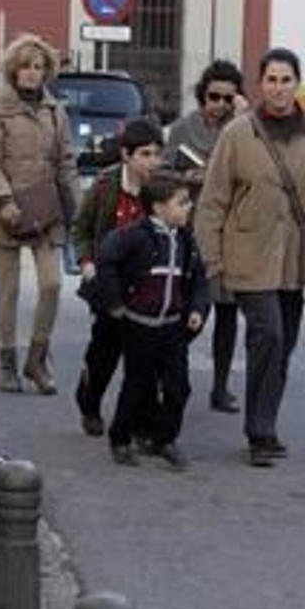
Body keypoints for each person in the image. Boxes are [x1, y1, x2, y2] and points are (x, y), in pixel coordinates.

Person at [194, 48, 305, 467]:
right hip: (248, 255)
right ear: (261, 85)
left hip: (296, 258)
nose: (278, 88)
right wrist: (212, 256)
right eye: (271, 80)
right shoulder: (238, 135)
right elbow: (214, 200)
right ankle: (259, 431)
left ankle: (266, 424)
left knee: (284, 345)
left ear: (297, 85)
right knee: (269, 334)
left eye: (286, 80)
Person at [0, 33, 81, 395]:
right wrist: (4, 200)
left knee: (52, 283)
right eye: (26, 66)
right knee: (9, 288)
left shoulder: (55, 110)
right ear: (13, 70)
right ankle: (7, 364)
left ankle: (37, 358)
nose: (33, 73)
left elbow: (66, 161)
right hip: (6, 207)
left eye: (39, 67)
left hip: (45, 208)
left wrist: (76, 207)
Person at [91, 173, 209, 470]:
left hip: (171, 327)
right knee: (137, 384)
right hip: (138, 325)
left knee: (179, 387)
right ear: (158, 208)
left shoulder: (186, 240)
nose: (189, 207)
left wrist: (196, 308)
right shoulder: (133, 236)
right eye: (181, 202)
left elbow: (198, 280)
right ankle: (120, 438)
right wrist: (116, 304)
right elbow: (106, 263)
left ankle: (164, 439)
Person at [71, 118, 165, 436]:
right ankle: (90, 400)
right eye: (145, 154)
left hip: (147, 286)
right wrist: (87, 263)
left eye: (156, 154)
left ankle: (139, 418)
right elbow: (81, 229)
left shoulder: (162, 188)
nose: (153, 162)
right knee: (105, 350)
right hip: (108, 281)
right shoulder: (105, 184)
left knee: (143, 354)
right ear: (127, 155)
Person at [164, 59, 247, 412]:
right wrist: (193, 178)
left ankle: (220, 386)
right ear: (203, 95)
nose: (220, 105)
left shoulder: (244, 128)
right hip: (192, 226)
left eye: (229, 99)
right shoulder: (184, 128)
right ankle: (168, 371)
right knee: (191, 308)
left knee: (228, 313)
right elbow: (165, 173)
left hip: (232, 230)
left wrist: (245, 115)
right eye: (214, 97)